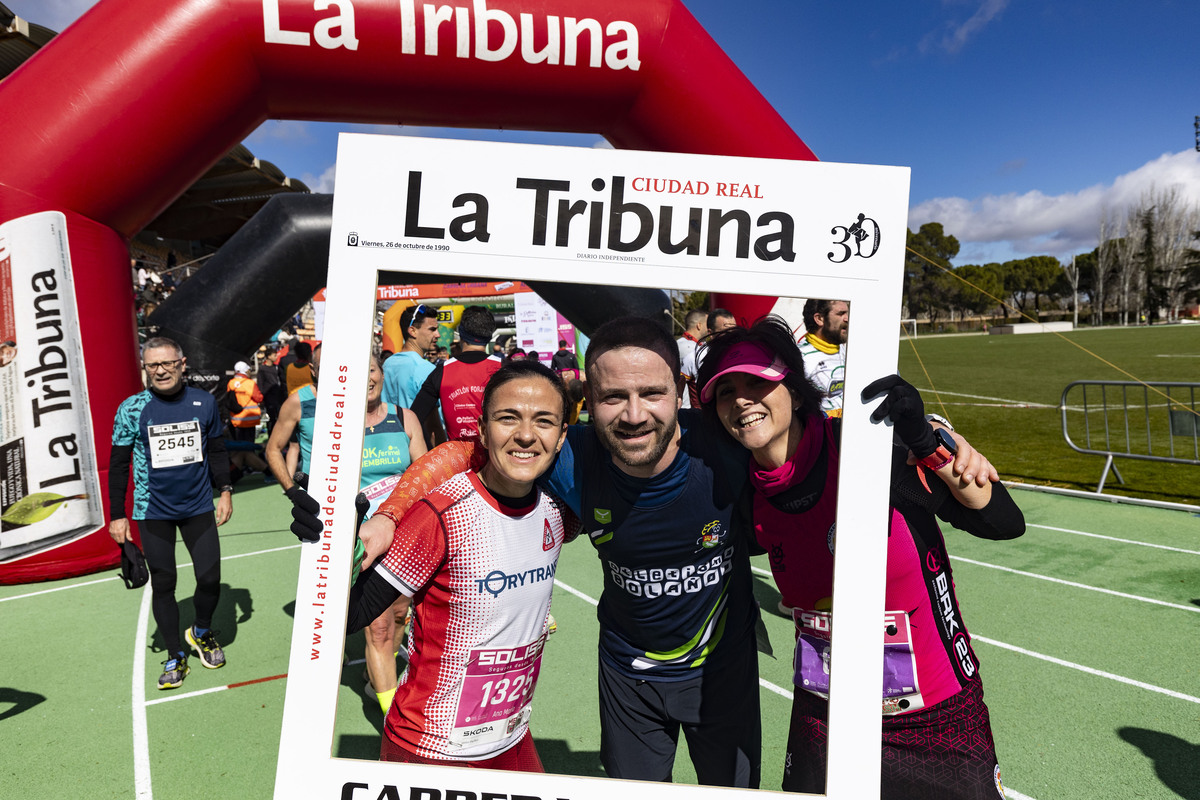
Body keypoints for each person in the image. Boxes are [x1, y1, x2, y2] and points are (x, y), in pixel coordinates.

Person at [358, 316, 763, 788]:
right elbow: (462, 453)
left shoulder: (728, 445)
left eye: (652, 393)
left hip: (721, 671)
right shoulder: (573, 456)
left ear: (680, 391)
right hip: (628, 678)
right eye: (613, 398)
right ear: (588, 403)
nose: (634, 415)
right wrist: (388, 515)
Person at [696, 315, 1025, 798]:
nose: (742, 400)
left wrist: (929, 440)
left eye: (757, 383)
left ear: (795, 387)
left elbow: (1001, 522)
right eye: (726, 392)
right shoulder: (744, 492)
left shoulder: (870, 449)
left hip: (934, 716)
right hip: (825, 714)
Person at [346, 360, 578, 770]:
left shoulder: (558, 510)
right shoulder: (443, 514)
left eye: (544, 421)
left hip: (512, 738)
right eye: (508, 418)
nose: (526, 434)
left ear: (562, 437)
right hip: (430, 749)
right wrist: (328, 547)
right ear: (483, 430)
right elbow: (351, 614)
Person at [107, 337, 234, 689]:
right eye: (152, 365)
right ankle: (175, 654)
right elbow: (118, 466)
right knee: (164, 583)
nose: (160, 371)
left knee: (209, 578)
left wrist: (225, 490)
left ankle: (202, 631)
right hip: (153, 511)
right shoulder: (132, 408)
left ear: (182, 363)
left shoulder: (204, 402)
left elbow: (216, 449)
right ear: (145, 368)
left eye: (167, 364)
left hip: (197, 506)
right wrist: (117, 515)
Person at [358, 352, 428, 714]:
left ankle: (376, 682)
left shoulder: (404, 418)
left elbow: (425, 476)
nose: (366, 378)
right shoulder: (338, 426)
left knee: (399, 617)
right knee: (380, 629)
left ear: (381, 374)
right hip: (361, 543)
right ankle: (392, 720)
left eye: (371, 369)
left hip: (404, 538)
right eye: (358, 371)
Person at [410, 305, 502, 444]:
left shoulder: (441, 371)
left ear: (461, 333)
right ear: (489, 336)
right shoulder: (503, 369)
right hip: (495, 458)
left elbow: (414, 416)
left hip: (457, 461)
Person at [267, 343, 320, 531]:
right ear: (313, 370)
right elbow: (273, 448)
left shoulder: (364, 398)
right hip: (317, 496)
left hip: (364, 491)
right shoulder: (298, 401)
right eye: (324, 368)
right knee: (294, 447)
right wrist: (292, 492)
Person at [382, 303, 440, 410]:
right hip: (417, 426)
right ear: (413, 331)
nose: (438, 334)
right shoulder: (426, 369)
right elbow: (434, 419)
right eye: (432, 329)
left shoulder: (388, 363)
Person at [798, 299, 849, 416]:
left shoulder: (846, 349)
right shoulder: (800, 356)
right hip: (821, 431)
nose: (847, 318)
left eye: (847, 313)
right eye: (841, 314)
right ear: (819, 319)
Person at [676, 308, 708, 408]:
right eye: (707, 324)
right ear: (699, 325)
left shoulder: (678, 344)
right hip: (688, 408)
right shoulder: (689, 348)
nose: (709, 328)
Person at [224, 360, 263, 442]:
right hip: (250, 419)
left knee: (239, 444)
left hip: (236, 419)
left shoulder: (231, 383)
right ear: (245, 371)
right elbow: (259, 398)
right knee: (249, 445)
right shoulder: (250, 383)